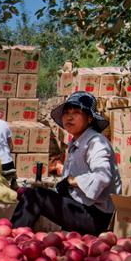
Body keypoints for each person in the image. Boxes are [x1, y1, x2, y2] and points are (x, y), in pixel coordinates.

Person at [10, 91, 121, 235]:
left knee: (36, 196)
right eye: (67, 113)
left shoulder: (96, 143)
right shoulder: (77, 143)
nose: (69, 117)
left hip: (95, 217)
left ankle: (12, 238)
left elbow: (102, 177)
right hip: (80, 208)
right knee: (31, 193)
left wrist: (70, 181)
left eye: (76, 112)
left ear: (89, 118)